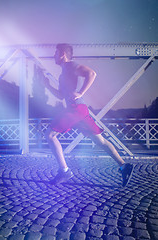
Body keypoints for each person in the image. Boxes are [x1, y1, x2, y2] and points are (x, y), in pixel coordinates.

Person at [44, 43, 133, 187]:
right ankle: (124, 166)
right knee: (101, 142)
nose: (53, 56)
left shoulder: (70, 66)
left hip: (75, 109)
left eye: (55, 53)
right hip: (80, 110)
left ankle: (64, 171)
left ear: (62, 54)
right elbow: (60, 95)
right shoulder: (63, 73)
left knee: (50, 135)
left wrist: (80, 92)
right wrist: (47, 85)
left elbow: (91, 74)